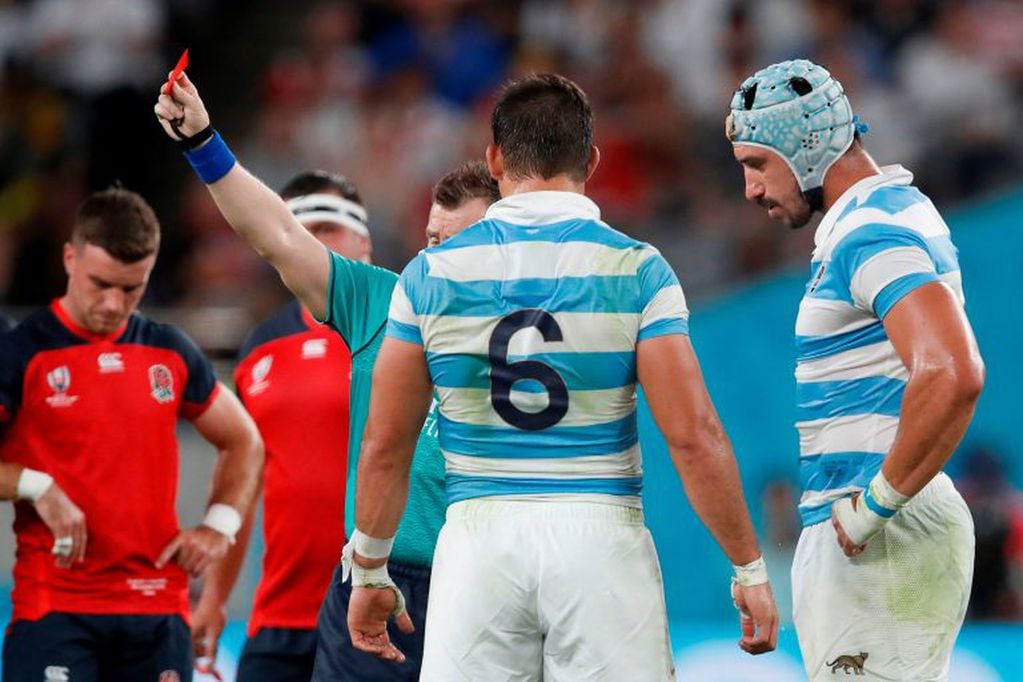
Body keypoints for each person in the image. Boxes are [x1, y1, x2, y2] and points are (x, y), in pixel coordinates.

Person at [346, 73, 778, 681]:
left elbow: (385, 444)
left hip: (478, 541)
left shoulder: (428, 278)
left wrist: (369, 568)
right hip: (599, 538)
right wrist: (749, 567)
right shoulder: (637, 270)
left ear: (494, 159)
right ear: (592, 161)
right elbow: (693, 435)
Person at [153, 72, 500, 680]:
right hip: (374, 580)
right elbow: (277, 235)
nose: (435, 258)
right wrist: (203, 140)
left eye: (457, 243)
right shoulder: (382, 303)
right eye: (430, 240)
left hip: (483, 587)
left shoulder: (536, 332)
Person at [726, 59, 983, 680]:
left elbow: (953, 371)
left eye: (757, 164)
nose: (751, 189)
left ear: (808, 146)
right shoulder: (887, 215)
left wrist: (877, 503)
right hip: (879, 527)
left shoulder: (869, 232)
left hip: (878, 535)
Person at [0, 187, 264, 681]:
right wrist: (39, 487)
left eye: (132, 288)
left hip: (157, 610)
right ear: (70, 256)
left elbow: (244, 439)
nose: (113, 303)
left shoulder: (168, 350)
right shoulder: (23, 353)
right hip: (56, 606)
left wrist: (219, 526)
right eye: (100, 284)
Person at [190, 171, 364, 681]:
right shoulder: (260, 348)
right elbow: (240, 479)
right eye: (297, 229)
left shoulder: (400, 330)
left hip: (374, 614)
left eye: (328, 227)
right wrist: (216, 598)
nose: (311, 243)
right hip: (278, 619)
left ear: (364, 239)